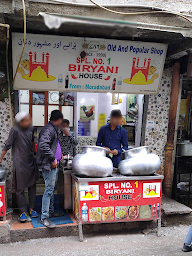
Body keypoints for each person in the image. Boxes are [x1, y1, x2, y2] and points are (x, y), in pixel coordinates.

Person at [0, 111, 38, 222]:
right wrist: (1, 157)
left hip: (30, 161)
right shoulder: (15, 130)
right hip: (19, 163)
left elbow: (32, 142)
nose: (28, 121)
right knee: (19, 188)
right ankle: (23, 211)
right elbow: (8, 144)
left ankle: (31, 208)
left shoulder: (31, 129)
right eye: (26, 119)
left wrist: (35, 154)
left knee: (32, 186)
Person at [36, 110, 64, 228]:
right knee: (48, 190)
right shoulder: (48, 129)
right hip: (48, 165)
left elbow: (53, 145)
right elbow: (43, 145)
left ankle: (51, 211)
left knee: (51, 189)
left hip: (53, 164)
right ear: (58, 120)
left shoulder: (52, 129)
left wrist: (59, 155)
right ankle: (44, 217)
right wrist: (53, 158)